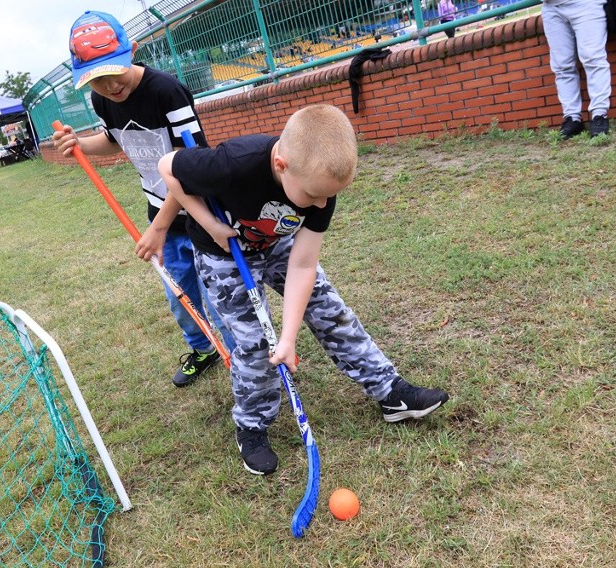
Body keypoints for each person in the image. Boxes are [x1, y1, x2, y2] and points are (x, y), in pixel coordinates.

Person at [158, 105, 450, 475]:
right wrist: (208, 224)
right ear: (281, 165)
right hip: (224, 255)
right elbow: (168, 167)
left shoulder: (322, 184)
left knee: (330, 309)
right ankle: (252, 425)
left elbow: (303, 264)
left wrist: (290, 336)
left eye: (329, 197)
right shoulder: (235, 162)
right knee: (254, 344)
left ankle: (389, 391)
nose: (322, 205)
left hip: (279, 245)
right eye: (313, 196)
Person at [54, 10, 236, 388]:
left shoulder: (166, 91)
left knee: (220, 299)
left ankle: (239, 358)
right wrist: (79, 144)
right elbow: (114, 138)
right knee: (179, 296)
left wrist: (158, 228)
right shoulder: (102, 100)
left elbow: (191, 167)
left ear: (131, 50)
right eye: (96, 80)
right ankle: (202, 350)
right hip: (162, 215)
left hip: (202, 214)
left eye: (113, 73)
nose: (109, 86)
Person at [542, 0, 612, 138]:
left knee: (593, 58)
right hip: (550, 7)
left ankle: (599, 115)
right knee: (562, 66)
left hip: (584, 4)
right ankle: (572, 118)